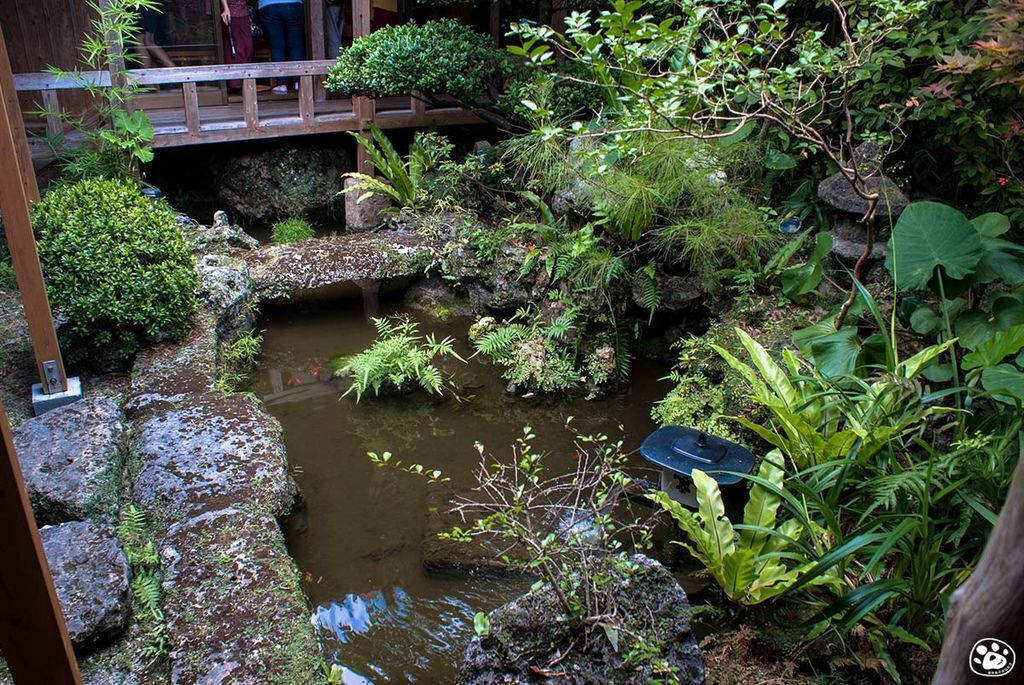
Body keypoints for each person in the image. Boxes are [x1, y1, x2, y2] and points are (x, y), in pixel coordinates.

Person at [259, 0, 305, 94]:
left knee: (277, 46)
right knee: (296, 45)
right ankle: (298, 81)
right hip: (293, 4)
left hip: (269, 5)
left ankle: (282, 84)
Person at [219, 0, 254, 92]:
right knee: (236, 49)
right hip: (231, 12)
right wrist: (226, 8)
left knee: (248, 47)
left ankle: (245, 80)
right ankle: (237, 84)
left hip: (244, 12)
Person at [135, 1, 176, 68]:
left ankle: (145, 73)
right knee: (148, 42)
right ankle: (172, 67)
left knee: (140, 41)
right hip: (151, 6)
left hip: (141, 7)